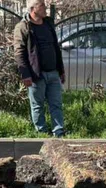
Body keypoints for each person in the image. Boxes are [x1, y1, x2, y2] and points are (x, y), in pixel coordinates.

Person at [14, 0, 65, 137]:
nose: (45, 8)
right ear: (33, 8)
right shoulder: (23, 27)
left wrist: (61, 69)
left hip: (53, 72)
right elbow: (19, 52)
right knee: (37, 105)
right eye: (41, 5)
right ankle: (41, 133)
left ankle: (59, 132)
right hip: (36, 74)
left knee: (56, 104)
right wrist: (25, 74)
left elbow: (55, 47)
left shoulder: (48, 24)